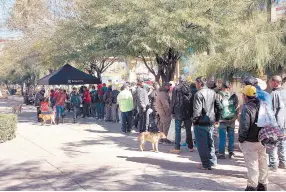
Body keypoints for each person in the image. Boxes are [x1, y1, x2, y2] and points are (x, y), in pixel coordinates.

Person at [239, 85, 268, 191]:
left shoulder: (247, 107)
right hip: (262, 139)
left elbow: (245, 125)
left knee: (252, 164)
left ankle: (251, 186)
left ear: (245, 96)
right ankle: (263, 184)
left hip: (250, 141)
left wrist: (241, 139)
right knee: (262, 163)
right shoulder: (262, 104)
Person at [193, 76, 220, 170]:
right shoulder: (213, 92)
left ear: (200, 84)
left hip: (201, 122)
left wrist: (194, 121)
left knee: (202, 145)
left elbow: (197, 111)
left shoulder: (198, 94)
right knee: (210, 143)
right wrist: (217, 119)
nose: (195, 85)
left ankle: (206, 164)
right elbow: (219, 107)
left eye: (196, 83)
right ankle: (212, 162)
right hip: (210, 122)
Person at [170, 76, 194, 153]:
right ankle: (190, 147)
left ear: (179, 80)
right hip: (188, 112)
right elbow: (191, 101)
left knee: (177, 130)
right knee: (188, 130)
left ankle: (177, 148)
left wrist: (172, 112)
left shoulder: (176, 88)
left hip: (178, 112)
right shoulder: (189, 89)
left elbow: (173, 101)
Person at [217, 81, 239, 159]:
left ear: (222, 86)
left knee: (222, 137)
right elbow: (236, 106)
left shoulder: (219, 95)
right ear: (230, 87)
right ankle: (231, 152)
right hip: (232, 119)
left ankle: (221, 153)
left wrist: (217, 118)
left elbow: (217, 107)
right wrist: (235, 116)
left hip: (222, 119)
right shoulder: (234, 95)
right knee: (231, 136)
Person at [269, 75, 286, 171]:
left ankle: (273, 164)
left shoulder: (274, 94)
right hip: (284, 123)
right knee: (282, 142)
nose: (271, 84)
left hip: (276, 123)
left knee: (272, 143)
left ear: (275, 82)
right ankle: (283, 162)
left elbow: (271, 110)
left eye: (271, 82)